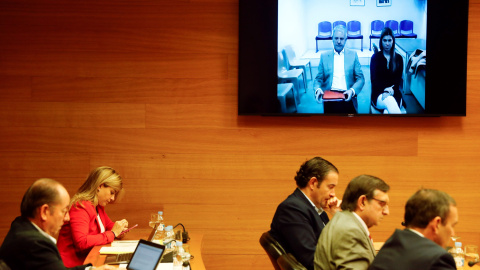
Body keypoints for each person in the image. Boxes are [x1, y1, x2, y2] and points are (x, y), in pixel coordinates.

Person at [0, 178, 114, 270]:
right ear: (44, 212)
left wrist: (91, 269)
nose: (67, 218)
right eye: (64, 211)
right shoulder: (35, 244)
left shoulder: (21, 226)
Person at [269, 157, 342, 270]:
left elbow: (335, 246)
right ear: (313, 183)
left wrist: (337, 215)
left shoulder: (316, 210)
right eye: (330, 187)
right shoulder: (292, 209)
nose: (333, 194)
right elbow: (311, 260)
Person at [368, 189, 457, 270]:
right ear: (436, 224)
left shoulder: (391, 244)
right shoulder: (438, 259)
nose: (453, 233)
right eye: (452, 226)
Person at [314, 175, 390, 270]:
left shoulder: (344, 221)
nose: (386, 212)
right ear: (362, 202)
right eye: (382, 204)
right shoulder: (350, 231)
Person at [57, 167, 128, 267]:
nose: (112, 198)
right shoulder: (80, 206)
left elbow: (109, 226)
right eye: (112, 193)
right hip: (73, 265)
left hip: (89, 258)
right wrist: (113, 233)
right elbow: (82, 242)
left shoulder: (97, 206)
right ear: (100, 186)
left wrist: (120, 229)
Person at [314, 25, 365, 114]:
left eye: (341, 39)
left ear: (346, 40)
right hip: (330, 97)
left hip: (347, 96)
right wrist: (317, 89)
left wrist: (352, 91)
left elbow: (360, 78)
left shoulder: (353, 55)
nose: (338, 41)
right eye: (336, 38)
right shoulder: (324, 56)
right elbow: (318, 79)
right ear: (332, 39)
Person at [370, 27, 404, 114]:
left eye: (390, 40)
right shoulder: (375, 58)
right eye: (385, 40)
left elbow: (397, 81)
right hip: (378, 94)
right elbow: (374, 80)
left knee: (386, 112)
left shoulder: (399, 58)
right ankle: (405, 127)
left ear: (393, 41)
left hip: (394, 92)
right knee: (389, 100)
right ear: (381, 41)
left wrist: (390, 90)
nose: (387, 43)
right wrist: (385, 90)